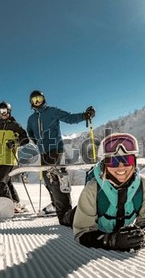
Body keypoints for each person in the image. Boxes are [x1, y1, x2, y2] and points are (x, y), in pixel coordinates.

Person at [72, 133, 145, 252]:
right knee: (67, 218)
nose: (121, 167)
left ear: (134, 162)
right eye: (113, 161)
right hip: (88, 211)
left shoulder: (144, 186)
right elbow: (82, 231)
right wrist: (110, 240)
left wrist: (144, 235)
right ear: (104, 164)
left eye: (127, 160)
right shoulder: (93, 189)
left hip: (103, 215)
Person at [26, 89, 95, 224]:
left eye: (39, 98)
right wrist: (36, 142)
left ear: (43, 99)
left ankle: (65, 212)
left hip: (55, 150)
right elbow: (30, 132)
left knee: (56, 179)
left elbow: (69, 118)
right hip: (43, 153)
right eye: (34, 100)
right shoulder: (31, 119)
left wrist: (85, 115)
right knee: (48, 180)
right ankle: (56, 205)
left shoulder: (52, 111)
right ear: (31, 103)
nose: (37, 102)